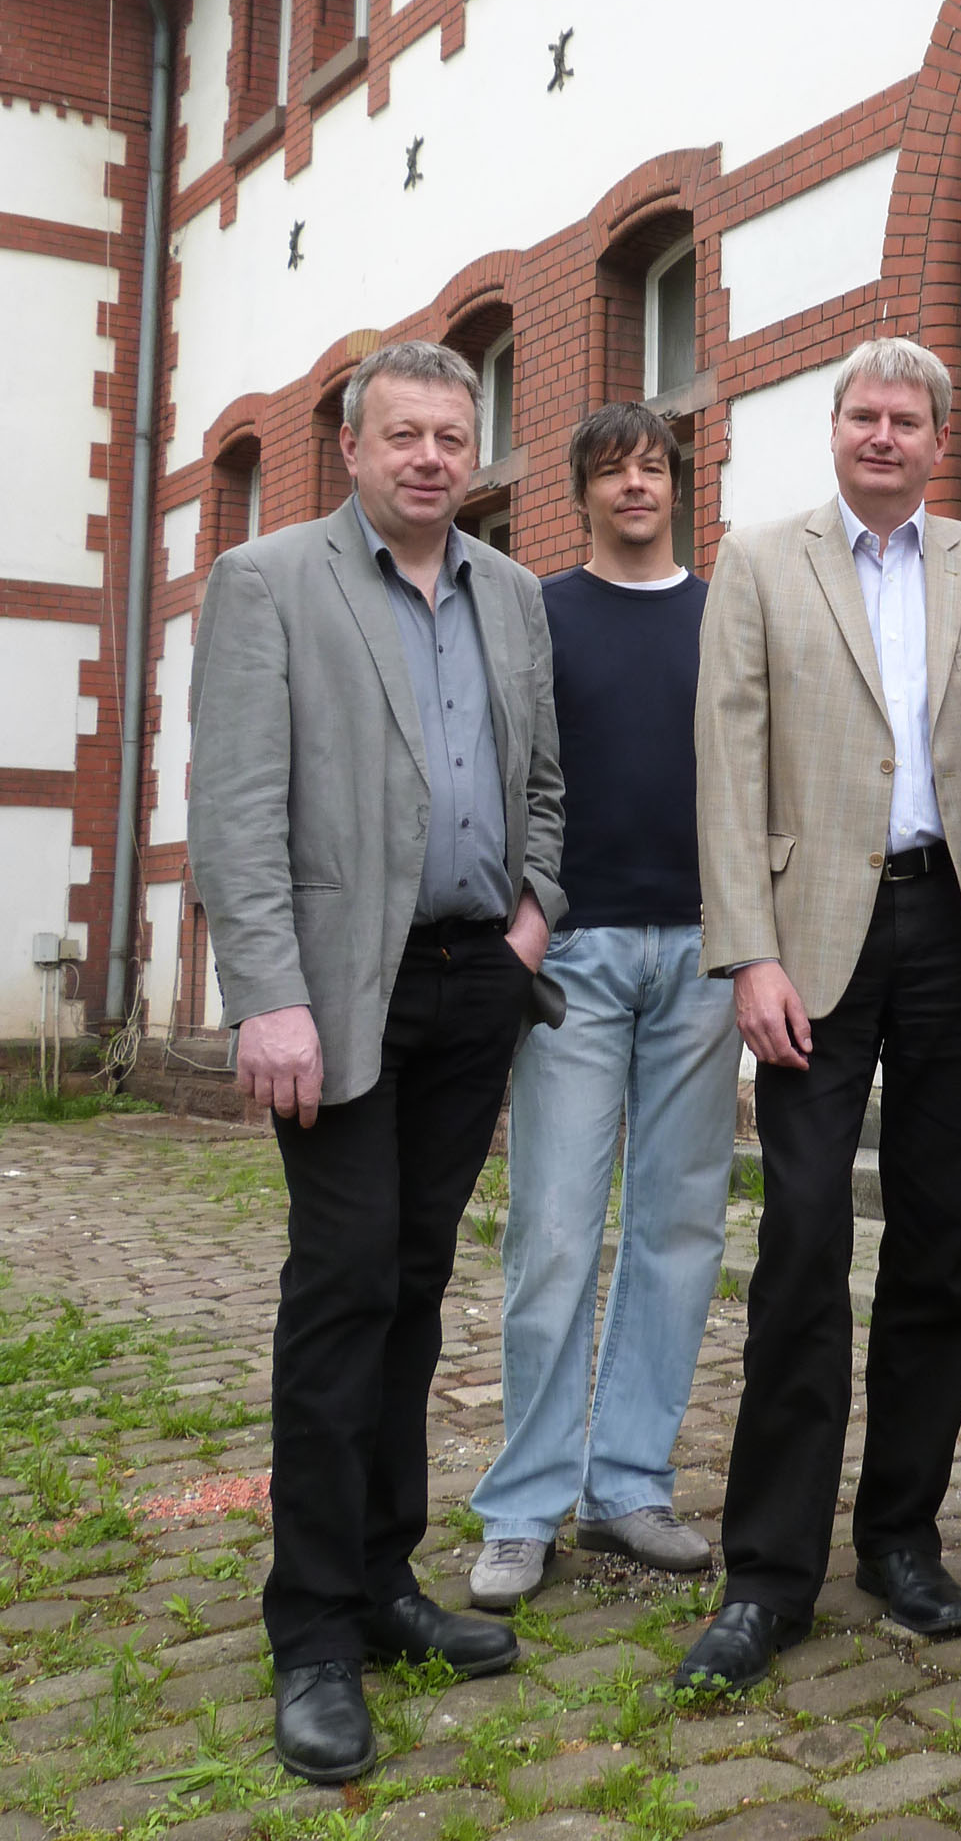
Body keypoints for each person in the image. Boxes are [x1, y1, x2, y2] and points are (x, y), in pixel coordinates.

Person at [187, 340, 566, 1786]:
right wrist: (267, 997)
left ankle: (385, 1577)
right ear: (351, 449)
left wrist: (533, 920)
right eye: (402, 434)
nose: (428, 458)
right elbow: (235, 804)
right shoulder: (271, 582)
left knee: (414, 1282)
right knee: (343, 1287)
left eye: (450, 436)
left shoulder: (510, 593)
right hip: (339, 997)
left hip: (476, 984)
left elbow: (545, 783)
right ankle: (313, 1631)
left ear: (474, 449)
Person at [676, 336, 961, 1695]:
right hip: (812, 943)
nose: (883, 436)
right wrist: (748, 954)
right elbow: (727, 764)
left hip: (959, 930)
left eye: (907, 420)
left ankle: (901, 1537)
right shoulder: (760, 563)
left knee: (944, 1249)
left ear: (940, 441)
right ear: (834, 430)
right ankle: (769, 1573)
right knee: (802, 1244)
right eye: (863, 416)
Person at [467, 405, 739, 1609]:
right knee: (556, 1232)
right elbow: (508, 775)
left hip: (706, 951)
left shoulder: (724, 613)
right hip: (573, 953)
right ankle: (522, 1508)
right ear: (578, 492)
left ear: (679, 484)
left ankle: (628, 1484)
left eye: (653, 467)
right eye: (612, 470)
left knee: (680, 1229)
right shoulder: (541, 613)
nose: (636, 485)